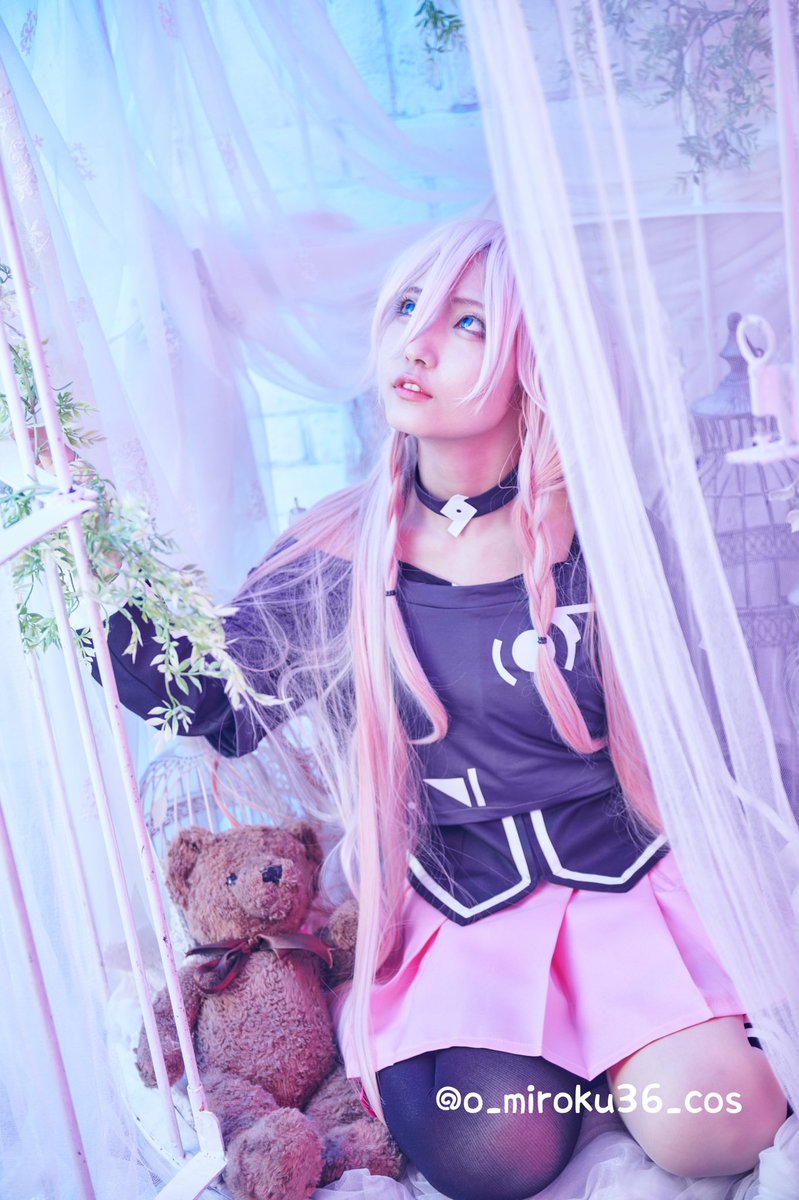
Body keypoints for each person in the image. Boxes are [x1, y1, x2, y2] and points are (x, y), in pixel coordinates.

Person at [93, 219, 786, 1199]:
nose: (415, 343)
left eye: (466, 323)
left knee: (721, 1124)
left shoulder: (611, 531)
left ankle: (630, 1050)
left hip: (620, 882)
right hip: (458, 901)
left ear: (533, 361)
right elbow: (216, 700)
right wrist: (85, 584)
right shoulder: (342, 548)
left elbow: (718, 697)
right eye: (407, 309)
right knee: (493, 1150)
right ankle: (544, 1062)